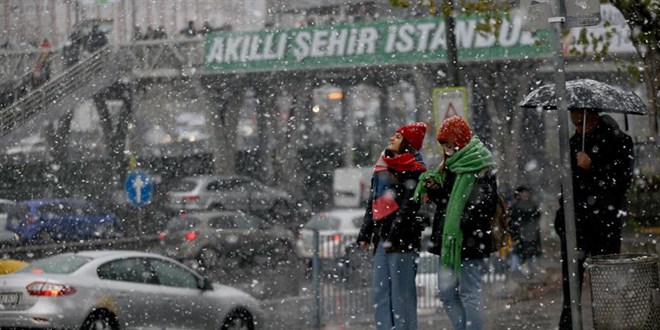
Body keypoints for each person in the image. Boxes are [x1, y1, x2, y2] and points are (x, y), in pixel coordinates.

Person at [414, 115, 497, 330]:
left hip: (469, 240)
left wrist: (462, 220)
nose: (448, 150)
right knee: (447, 292)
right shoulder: (450, 165)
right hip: (449, 241)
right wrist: (434, 190)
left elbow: (485, 205)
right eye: (444, 145)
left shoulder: (481, 164)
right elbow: (447, 201)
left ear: (460, 140)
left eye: (450, 144)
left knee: (470, 292)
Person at [555, 109, 634, 329]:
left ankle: (607, 324)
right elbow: (567, 185)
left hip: (604, 222)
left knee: (605, 286)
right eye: (574, 123)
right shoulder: (572, 144)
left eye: (581, 123)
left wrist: (593, 167)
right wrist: (561, 219)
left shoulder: (619, 142)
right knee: (571, 288)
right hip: (575, 225)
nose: (577, 128)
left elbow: (622, 181)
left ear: (593, 117)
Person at [357, 122, 428, 330]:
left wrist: (393, 234)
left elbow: (409, 206)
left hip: (402, 240)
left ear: (408, 143)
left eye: (398, 137)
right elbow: (373, 202)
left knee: (402, 295)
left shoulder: (415, 170)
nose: (392, 138)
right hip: (382, 238)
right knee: (380, 292)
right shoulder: (382, 166)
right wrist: (365, 233)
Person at [507, 185, 542, 275]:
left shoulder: (532, 206)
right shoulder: (515, 207)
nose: (525, 196)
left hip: (530, 235)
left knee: (529, 258)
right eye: (523, 194)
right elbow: (511, 222)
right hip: (520, 236)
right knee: (517, 257)